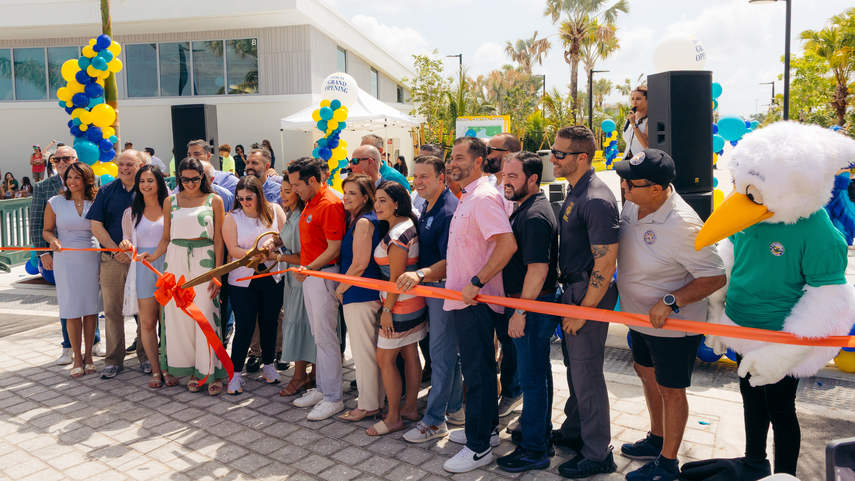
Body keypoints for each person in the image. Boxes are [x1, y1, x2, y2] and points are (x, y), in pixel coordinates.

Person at [613, 149, 726, 481]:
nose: (624, 188)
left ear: (657, 189)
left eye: (631, 184)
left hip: (673, 326)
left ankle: (667, 463)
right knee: (646, 375)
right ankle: (656, 438)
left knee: (672, 390)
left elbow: (715, 276)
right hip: (639, 320)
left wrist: (671, 300)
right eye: (623, 181)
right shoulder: (636, 203)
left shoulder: (684, 224)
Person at [442, 137, 517, 474]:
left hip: (476, 302)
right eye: (450, 157)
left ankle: (478, 448)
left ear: (477, 162)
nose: (451, 163)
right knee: (481, 371)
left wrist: (475, 282)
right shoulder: (470, 195)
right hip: (468, 301)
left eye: (458, 158)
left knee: (477, 374)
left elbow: (507, 245)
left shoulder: (484, 198)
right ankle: (484, 432)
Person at [550, 125, 620, 478]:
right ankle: (576, 432)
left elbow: (606, 264)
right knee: (576, 371)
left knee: (587, 375)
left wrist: (582, 309)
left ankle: (597, 453)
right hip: (574, 292)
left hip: (587, 295)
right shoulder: (578, 191)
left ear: (582, 157)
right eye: (553, 151)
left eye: (560, 153)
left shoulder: (594, 197)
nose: (553, 158)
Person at [497, 151, 561, 473]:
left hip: (532, 307)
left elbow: (538, 268)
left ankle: (535, 450)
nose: (505, 181)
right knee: (540, 375)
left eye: (513, 177)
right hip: (532, 306)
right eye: (504, 175)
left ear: (533, 179)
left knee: (533, 379)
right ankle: (541, 434)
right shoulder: (526, 208)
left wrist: (520, 312)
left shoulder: (534, 214)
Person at [141, 157, 226, 395]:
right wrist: (153, 255)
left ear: (203, 178)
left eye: (195, 178)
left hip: (205, 260)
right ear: (179, 178)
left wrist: (217, 273)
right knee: (181, 317)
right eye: (185, 179)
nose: (190, 183)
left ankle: (212, 372)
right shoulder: (171, 202)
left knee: (207, 315)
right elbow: (166, 238)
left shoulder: (215, 200)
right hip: (176, 261)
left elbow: (219, 240)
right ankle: (193, 370)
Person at [400, 155, 464, 444]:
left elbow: (451, 261)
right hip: (429, 291)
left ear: (442, 178)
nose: (418, 181)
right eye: (416, 176)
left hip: (442, 290)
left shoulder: (449, 212)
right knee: (446, 354)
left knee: (441, 356)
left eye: (425, 176)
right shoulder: (425, 205)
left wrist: (421, 273)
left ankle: (435, 421)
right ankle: (455, 408)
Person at [30, 146, 104, 364]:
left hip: (91, 258)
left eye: (76, 177)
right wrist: (49, 246)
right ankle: (72, 353)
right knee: (70, 308)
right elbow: (40, 226)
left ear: (86, 179)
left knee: (91, 308)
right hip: (65, 260)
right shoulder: (52, 198)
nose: (71, 180)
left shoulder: (97, 199)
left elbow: (103, 228)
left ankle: (90, 354)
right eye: (68, 177)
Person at [365, 181, 427, 436]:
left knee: (385, 358)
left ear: (397, 203)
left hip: (399, 305)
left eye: (382, 201)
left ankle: (393, 418)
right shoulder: (406, 227)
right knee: (410, 353)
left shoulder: (398, 234)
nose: (377, 205)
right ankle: (410, 409)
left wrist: (387, 311)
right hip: (413, 302)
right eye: (376, 200)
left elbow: (395, 279)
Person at [287, 157, 346, 420]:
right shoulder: (312, 200)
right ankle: (323, 390)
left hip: (322, 275)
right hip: (312, 274)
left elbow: (334, 248)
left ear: (312, 180)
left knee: (326, 337)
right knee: (319, 336)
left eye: (297, 184)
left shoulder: (330, 202)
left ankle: (334, 397)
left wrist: (307, 267)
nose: (294, 190)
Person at [88, 149, 148, 380]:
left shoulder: (149, 189)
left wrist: (133, 253)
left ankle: (146, 357)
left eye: (129, 164)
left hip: (143, 260)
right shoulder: (106, 191)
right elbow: (96, 225)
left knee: (145, 311)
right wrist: (116, 250)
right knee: (112, 311)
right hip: (112, 259)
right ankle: (113, 360)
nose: (124, 168)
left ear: (140, 165)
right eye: (121, 164)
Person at [224, 176, 286, 394]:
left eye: (249, 198)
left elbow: (284, 237)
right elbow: (232, 250)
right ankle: (235, 374)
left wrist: (273, 244)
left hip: (272, 276)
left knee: (270, 323)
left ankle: (268, 365)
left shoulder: (275, 209)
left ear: (258, 194)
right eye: (240, 198)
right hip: (242, 280)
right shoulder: (232, 217)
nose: (244, 202)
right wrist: (255, 254)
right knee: (244, 327)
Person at [118, 165, 177, 389]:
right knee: (148, 321)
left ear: (160, 183)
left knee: (168, 322)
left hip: (168, 266)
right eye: (142, 181)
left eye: (150, 180)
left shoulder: (171, 208)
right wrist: (126, 246)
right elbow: (128, 245)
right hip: (143, 268)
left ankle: (171, 367)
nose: (145, 185)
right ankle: (156, 369)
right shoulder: (130, 212)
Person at [335, 174, 385, 422]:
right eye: (345, 192)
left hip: (359, 293)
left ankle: (367, 405)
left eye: (352, 193)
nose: (346, 197)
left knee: (364, 352)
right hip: (366, 292)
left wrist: (340, 289)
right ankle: (374, 400)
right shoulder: (365, 219)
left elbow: (359, 264)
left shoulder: (364, 222)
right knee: (371, 350)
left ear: (366, 197)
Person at [484, 133, 523, 414]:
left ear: (507, 155)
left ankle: (512, 391)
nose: (485, 155)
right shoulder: (490, 187)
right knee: (499, 340)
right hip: (490, 283)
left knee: (511, 344)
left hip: (510, 282)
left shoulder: (515, 194)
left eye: (490, 150)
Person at [277, 175, 316, 397]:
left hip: (303, 279)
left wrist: (279, 257)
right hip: (293, 280)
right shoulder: (292, 214)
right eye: (282, 190)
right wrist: (277, 241)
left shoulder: (302, 216)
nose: (283, 195)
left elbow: (304, 256)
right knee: (302, 325)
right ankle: (309, 376)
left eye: (288, 191)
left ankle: (300, 376)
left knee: (304, 327)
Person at [410, 143, 444, 213]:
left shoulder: (446, 207)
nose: (417, 182)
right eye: (418, 159)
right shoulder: (416, 194)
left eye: (425, 159)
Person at [623, 86, 649, 160]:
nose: (634, 102)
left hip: (642, 161)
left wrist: (634, 124)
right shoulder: (631, 118)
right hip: (627, 160)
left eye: (638, 99)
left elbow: (645, 144)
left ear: (647, 100)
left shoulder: (649, 119)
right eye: (633, 99)